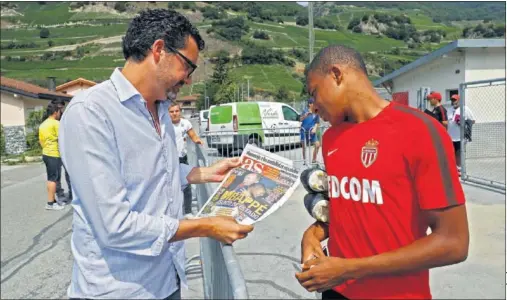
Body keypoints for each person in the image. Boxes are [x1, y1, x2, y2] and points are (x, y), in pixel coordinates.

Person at [59, 9, 254, 300]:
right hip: (121, 290)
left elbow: (148, 178)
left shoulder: (161, 109)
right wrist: (207, 226)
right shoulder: (92, 112)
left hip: (167, 277)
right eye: (188, 66)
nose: (188, 80)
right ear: (159, 50)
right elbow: (115, 226)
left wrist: (201, 173)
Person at [296, 45, 469, 300]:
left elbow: (454, 243)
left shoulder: (420, 131)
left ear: (336, 74)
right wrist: (314, 233)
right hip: (335, 290)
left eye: (315, 93)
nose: (314, 107)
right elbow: (349, 212)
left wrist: (349, 269)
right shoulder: (332, 137)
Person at [169, 102, 203, 219]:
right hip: (169, 159)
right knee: (171, 186)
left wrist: (197, 140)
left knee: (187, 185)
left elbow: (192, 135)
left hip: (182, 158)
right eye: (171, 112)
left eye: (176, 111)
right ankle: (173, 213)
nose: (174, 114)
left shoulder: (185, 123)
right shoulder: (165, 124)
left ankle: (187, 212)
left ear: (180, 112)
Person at [39, 102, 67, 211]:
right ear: (55, 112)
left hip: (46, 153)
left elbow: (41, 142)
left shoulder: (43, 124)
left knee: (51, 179)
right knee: (53, 179)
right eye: (59, 111)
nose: (60, 113)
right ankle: (50, 203)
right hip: (53, 154)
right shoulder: (56, 124)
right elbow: (63, 138)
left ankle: (53, 200)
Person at [51, 99, 73, 202]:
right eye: (60, 107)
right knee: (57, 174)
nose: (61, 109)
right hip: (55, 150)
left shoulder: (65, 116)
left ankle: (72, 193)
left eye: (62, 107)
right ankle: (60, 194)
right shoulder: (51, 118)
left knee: (69, 172)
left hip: (66, 149)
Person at [447, 94, 476, 174]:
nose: (453, 102)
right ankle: (455, 168)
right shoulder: (449, 110)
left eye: (455, 100)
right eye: (452, 100)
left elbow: (473, 120)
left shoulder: (465, 109)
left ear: (459, 100)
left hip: (461, 136)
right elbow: (448, 122)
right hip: (451, 136)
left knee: (460, 153)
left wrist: (462, 122)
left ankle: (460, 169)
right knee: (452, 153)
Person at [300, 98, 321, 164]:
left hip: (311, 131)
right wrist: (305, 116)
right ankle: (305, 161)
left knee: (317, 145)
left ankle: (313, 160)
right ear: (309, 104)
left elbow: (317, 122)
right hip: (304, 131)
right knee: (304, 147)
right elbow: (300, 119)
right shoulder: (304, 111)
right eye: (313, 103)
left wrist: (315, 128)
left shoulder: (316, 112)